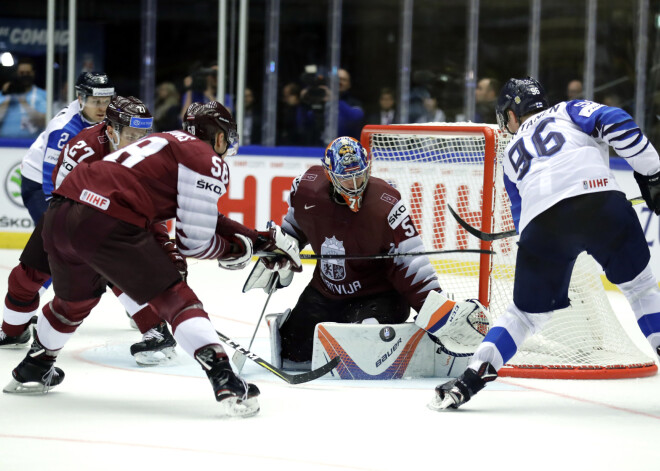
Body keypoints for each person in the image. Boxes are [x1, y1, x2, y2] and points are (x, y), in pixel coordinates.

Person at [3, 101, 302, 418]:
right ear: (218, 138)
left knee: (73, 302)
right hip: (106, 220)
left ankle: (36, 366)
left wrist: (259, 241)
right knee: (176, 298)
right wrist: (239, 250)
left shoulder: (164, 141)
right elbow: (195, 243)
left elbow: (203, 217)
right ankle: (224, 377)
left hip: (61, 216)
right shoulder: (206, 161)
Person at [432, 77, 660, 411]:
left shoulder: (511, 153)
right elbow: (616, 120)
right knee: (640, 289)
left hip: (542, 226)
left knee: (524, 316)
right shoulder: (569, 110)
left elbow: (521, 215)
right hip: (600, 203)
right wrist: (652, 173)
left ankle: (467, 383)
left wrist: (544, 242)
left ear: (511, 114)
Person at [245, 136, 485, 368]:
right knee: (291, 352)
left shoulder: (387, 204)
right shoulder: (306, 189)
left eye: (360, 175)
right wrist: (282, 250)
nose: (356, 185)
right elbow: (295, 227)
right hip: (326, 291)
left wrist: (436, 312)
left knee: (362, 343)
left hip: (379, 296)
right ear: (330, 175)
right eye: (347, 179)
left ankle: (413, 338)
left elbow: (413, 264)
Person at [0, 96, 180, 366]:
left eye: (144, 134)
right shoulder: (82, 147)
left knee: (120, 272)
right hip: (68, 213)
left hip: (115, 219)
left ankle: (156, 330)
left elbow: (152, 209)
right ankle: (12, 331)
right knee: (26, 276)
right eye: (132, 135)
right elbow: (60, 188)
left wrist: (162, 245)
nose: (141, 141)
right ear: (111, 131)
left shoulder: (151, 155)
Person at [20, 71, 114, 224]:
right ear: (80, 99)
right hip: (39, 182)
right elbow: (50, 179)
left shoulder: (111, 115)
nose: (102, 108)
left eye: (106, 101)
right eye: (96, 102)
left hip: (73, 177)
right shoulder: (64, 129)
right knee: (52, 232)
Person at [0, 57, 47, 139]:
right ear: (16, 74)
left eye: (28, 73)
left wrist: (23, 101)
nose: (25, 76)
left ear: (33, 73)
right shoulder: (4, 94)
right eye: (22, 73)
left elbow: (43, 122)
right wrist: (8, 96)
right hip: (4, 144)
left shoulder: (42, 95)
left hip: (31, 144)